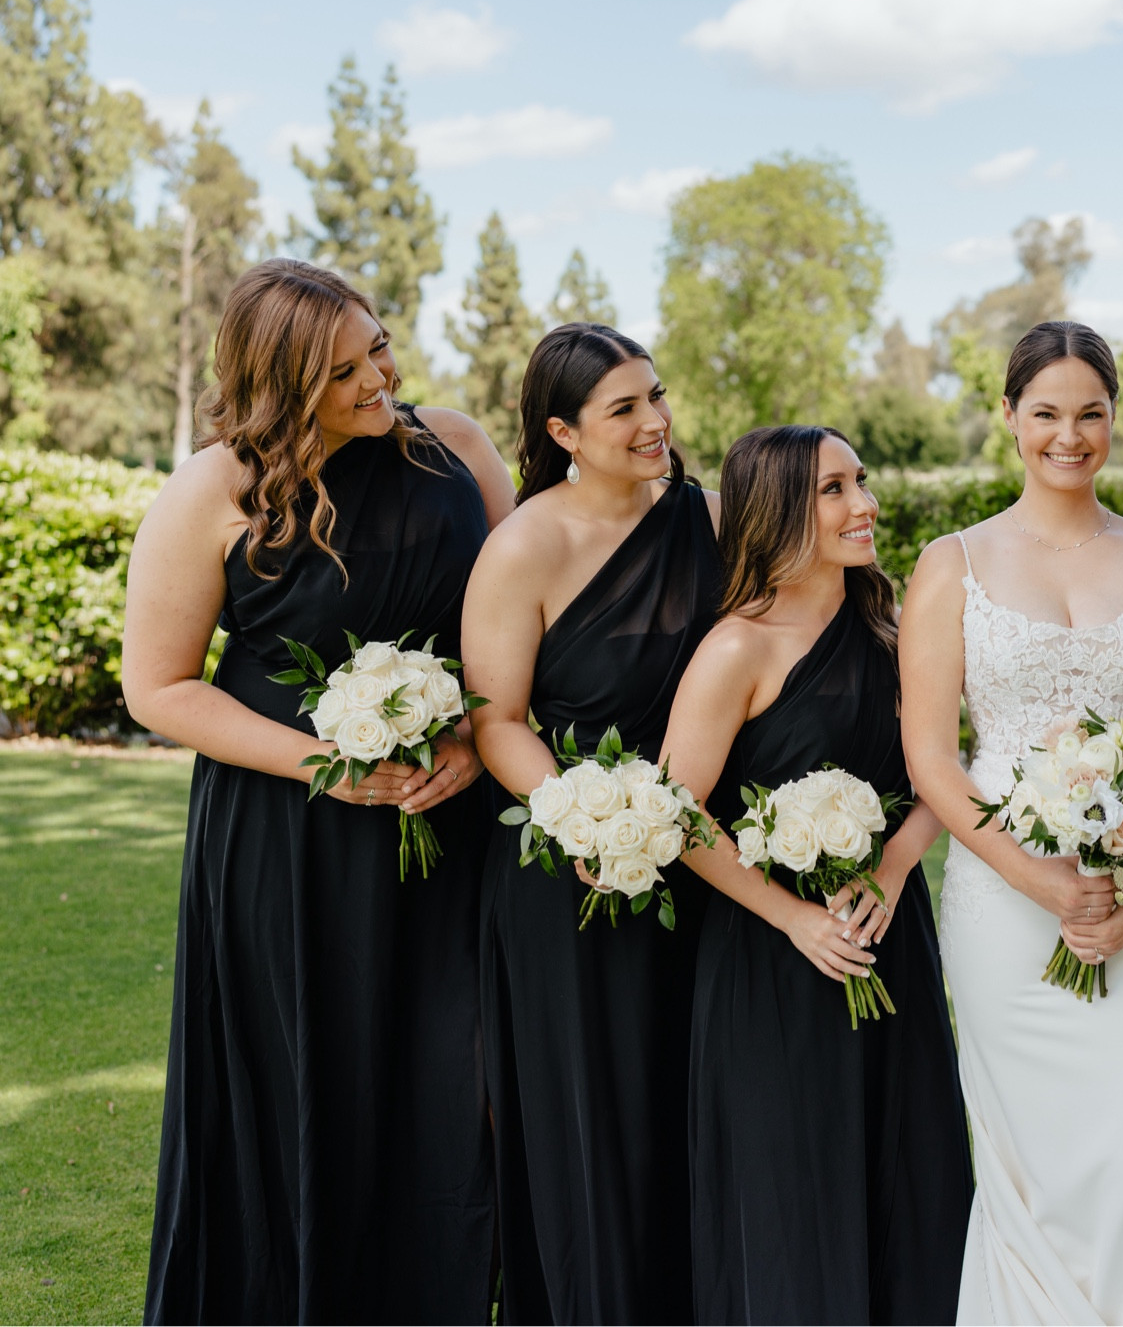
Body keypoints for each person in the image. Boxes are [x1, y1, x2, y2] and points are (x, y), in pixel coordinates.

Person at [124, 258, 514, 1322]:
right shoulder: (214, 489)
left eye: (378, 346)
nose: (376, 379)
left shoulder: (457, 448)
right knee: (302, 1089)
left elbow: (518, 626)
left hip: (452, 822)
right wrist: (328, 766)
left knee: (454, 1086)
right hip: (283, 844)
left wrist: (478, 743)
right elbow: (156, 686)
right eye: (341, 372)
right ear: (280, 384)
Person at [898, 320, 1123, 1324]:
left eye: (1090, 413)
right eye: (1045, 413)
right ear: (1007, 416)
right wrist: (1033, 878)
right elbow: (931, 757)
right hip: (1000, 905)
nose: (1068, 436)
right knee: (1023, 1170)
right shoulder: (951, 564)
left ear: (1114, 418)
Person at [656, 424, 972, 1324]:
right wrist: (792, 919)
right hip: (773, 964)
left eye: (860, 481)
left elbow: (938, 773)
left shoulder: (890, 626)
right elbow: (679, 814)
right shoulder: (736, 650)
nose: (864, 504)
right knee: (791, 1194)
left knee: (907, 1178)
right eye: (835, 489)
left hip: (886, 942)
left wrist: (896, 868)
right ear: (779, 509)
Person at [462, 323, 721, 1323]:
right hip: (564, 876)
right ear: (563, 430)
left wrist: (664, 827)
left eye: (656, 396)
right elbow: (496, 722)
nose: (655, 421)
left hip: (699, 862)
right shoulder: (524, 543)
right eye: (625, 408)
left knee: (688, 1109)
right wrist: (592, 828)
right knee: (593, 1122)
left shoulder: (709, 520)